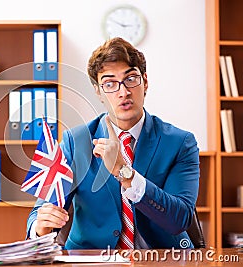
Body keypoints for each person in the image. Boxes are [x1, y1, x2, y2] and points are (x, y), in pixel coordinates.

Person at [25, 37, 200, 249]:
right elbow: (40, 211)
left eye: (131, 79)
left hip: (160, 258)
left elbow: (179, 219)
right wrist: (41, 227)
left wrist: (123, 171)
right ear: (98, 91)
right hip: (92, 259)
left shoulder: (180, 143)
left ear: (145, 82)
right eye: (109, 84)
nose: (123, 92)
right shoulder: (75, 142)